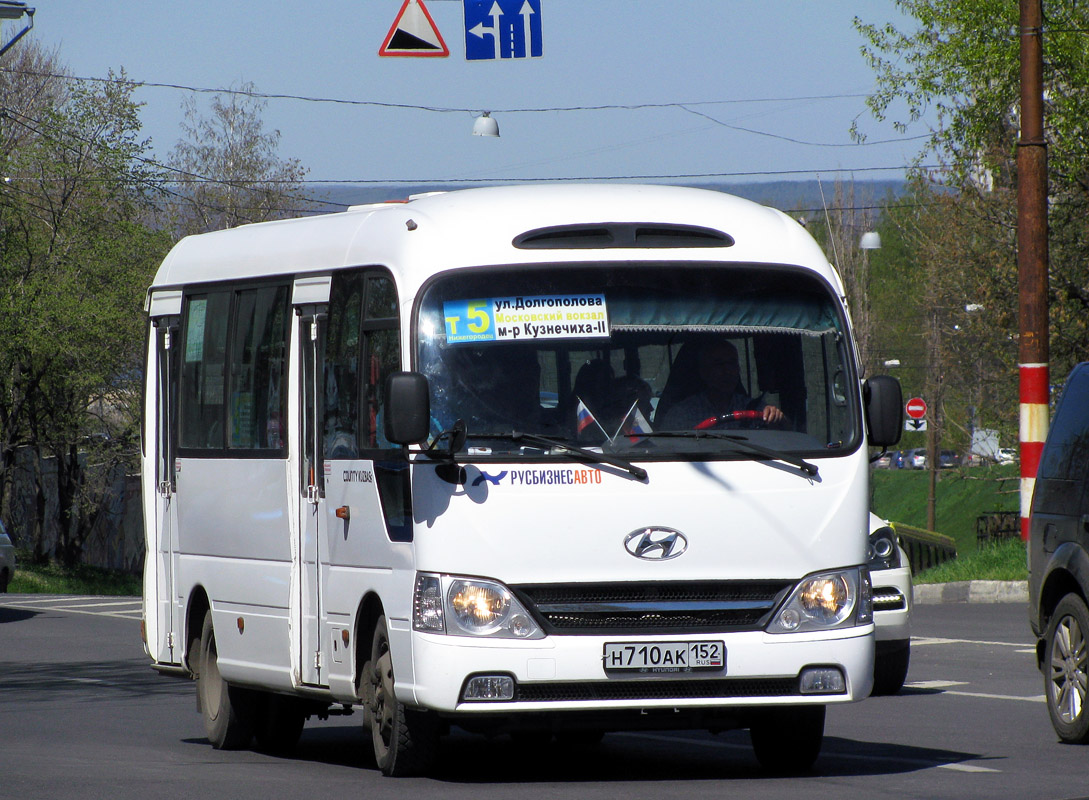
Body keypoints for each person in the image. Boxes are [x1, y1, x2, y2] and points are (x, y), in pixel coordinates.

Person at [659, 340, 783, 430]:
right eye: (719, 364)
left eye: (731, 363)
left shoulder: (755, 409)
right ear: (703, 372)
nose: (727, 371)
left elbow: (787, 435)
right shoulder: (680, 415)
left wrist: (777, 418)